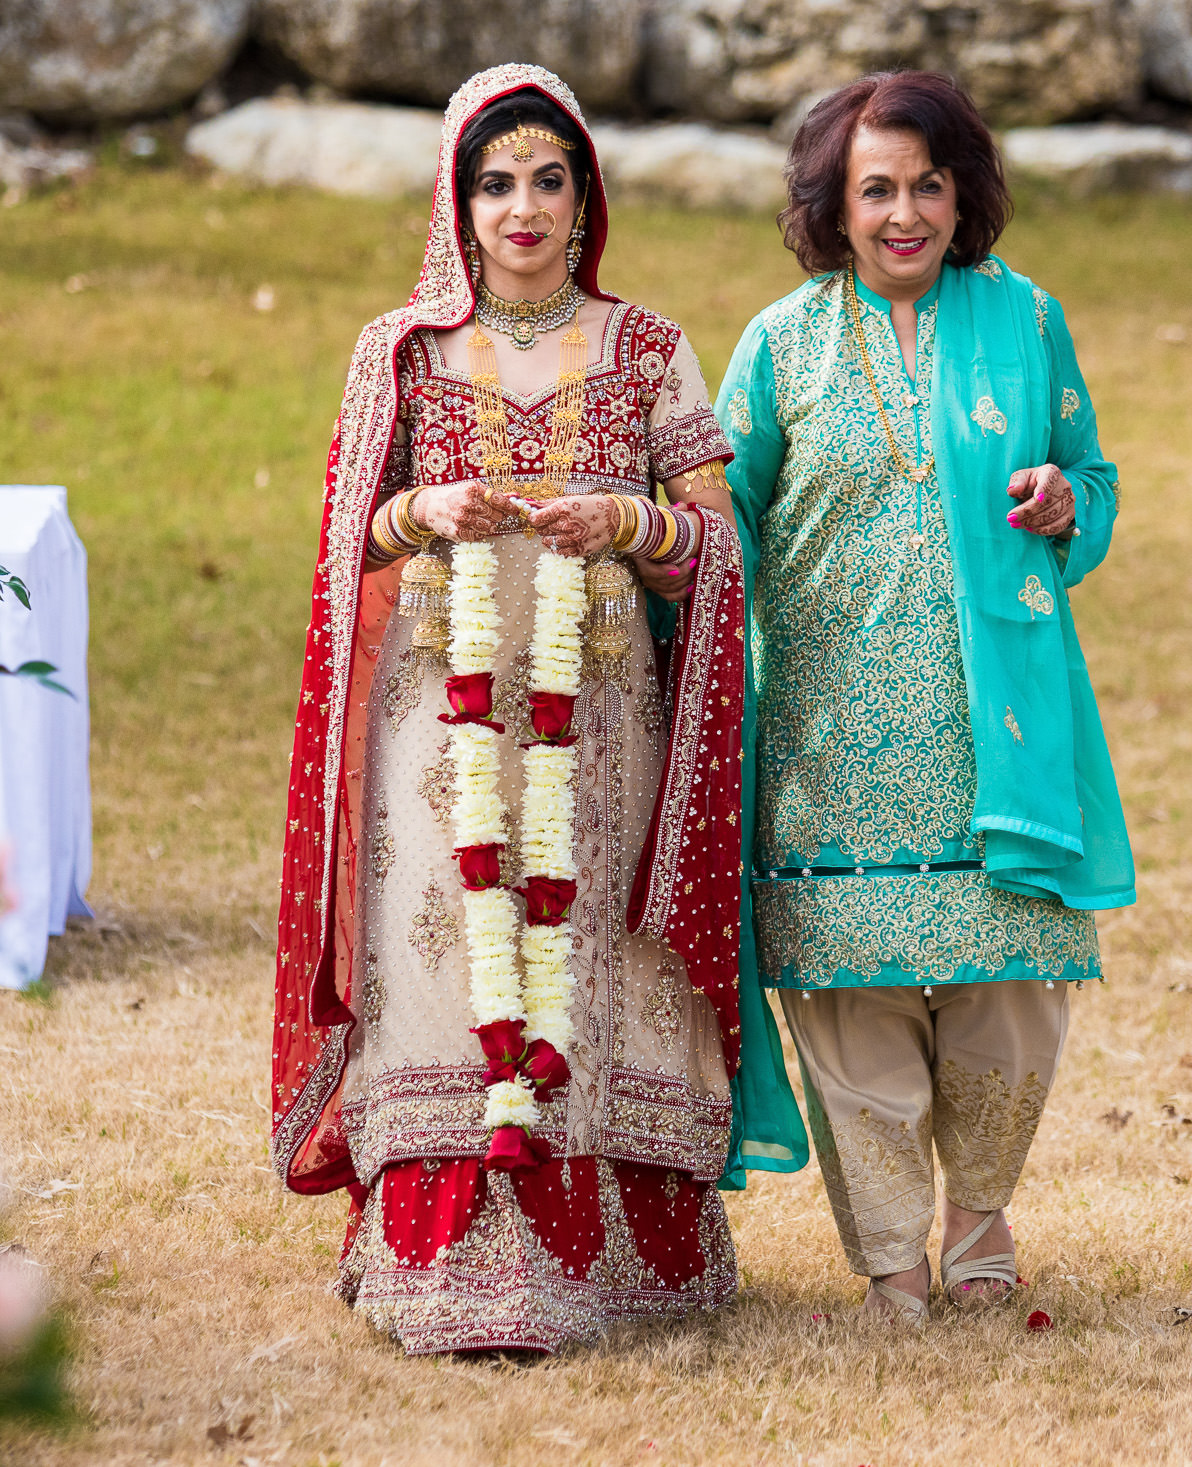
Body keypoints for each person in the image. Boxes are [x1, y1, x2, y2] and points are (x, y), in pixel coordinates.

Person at [267, 63, 804, 1358]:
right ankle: (440, 1255)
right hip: (432, 718)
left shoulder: (650, 348)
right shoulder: (398, 351)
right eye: (496, 181)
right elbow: (348, 542)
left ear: (585, 198)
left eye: (548, 180)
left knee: (587, 952)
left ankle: (615, 1260)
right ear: (456, 202)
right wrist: (423, 513)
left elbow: (718, 555)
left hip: (602, 708)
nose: (523, 206)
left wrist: (625, 518)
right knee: (448, 953)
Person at [715, 71, 1136, 1324]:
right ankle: (894, 1254)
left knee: (1010, 991)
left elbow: (1090, 477)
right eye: (875, 190)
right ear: (831, 210)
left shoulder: (1025, 320)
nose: (905, 214)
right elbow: (718, 519)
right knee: (852, 1007)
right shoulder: (780, 345)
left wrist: (1068, 505)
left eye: (928, 185)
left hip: (995, 724)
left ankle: (983, 1221)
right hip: (829, 736)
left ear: (965, 194)